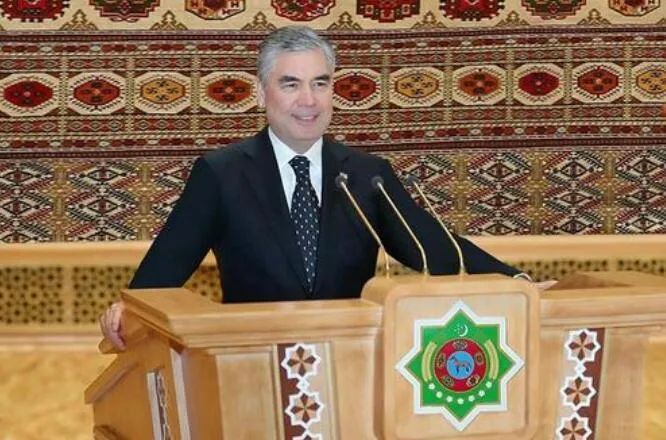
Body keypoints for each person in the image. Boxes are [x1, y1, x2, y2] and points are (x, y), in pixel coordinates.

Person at [100, 26, 550, 350]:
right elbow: (166, 267)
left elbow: (432, 246)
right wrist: (128, 310)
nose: (309, 101)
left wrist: (515, 283)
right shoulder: (221, 174)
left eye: (320, 83)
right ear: (261, 92)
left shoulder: (367, 175)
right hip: (254, 359)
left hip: (350, 356)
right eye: (291, 84)